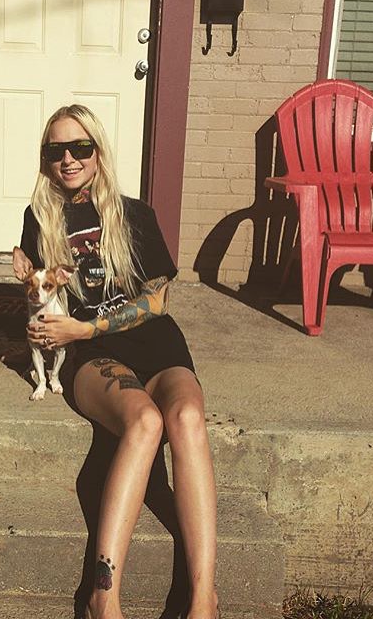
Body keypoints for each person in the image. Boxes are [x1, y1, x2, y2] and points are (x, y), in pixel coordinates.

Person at [13, 104, 218, 619]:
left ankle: (203, 600)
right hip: (92, 357)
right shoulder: (40, 218)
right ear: (45, 160)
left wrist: (88, 325)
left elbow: (157, 301)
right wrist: (47, 329)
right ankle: (103, 597)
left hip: (155, 344)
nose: (68, 159)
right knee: (145, 422)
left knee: (187, 417)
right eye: (56, 150)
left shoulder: (135, 214)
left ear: (98, 151)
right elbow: (35, 292)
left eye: (80, 147)